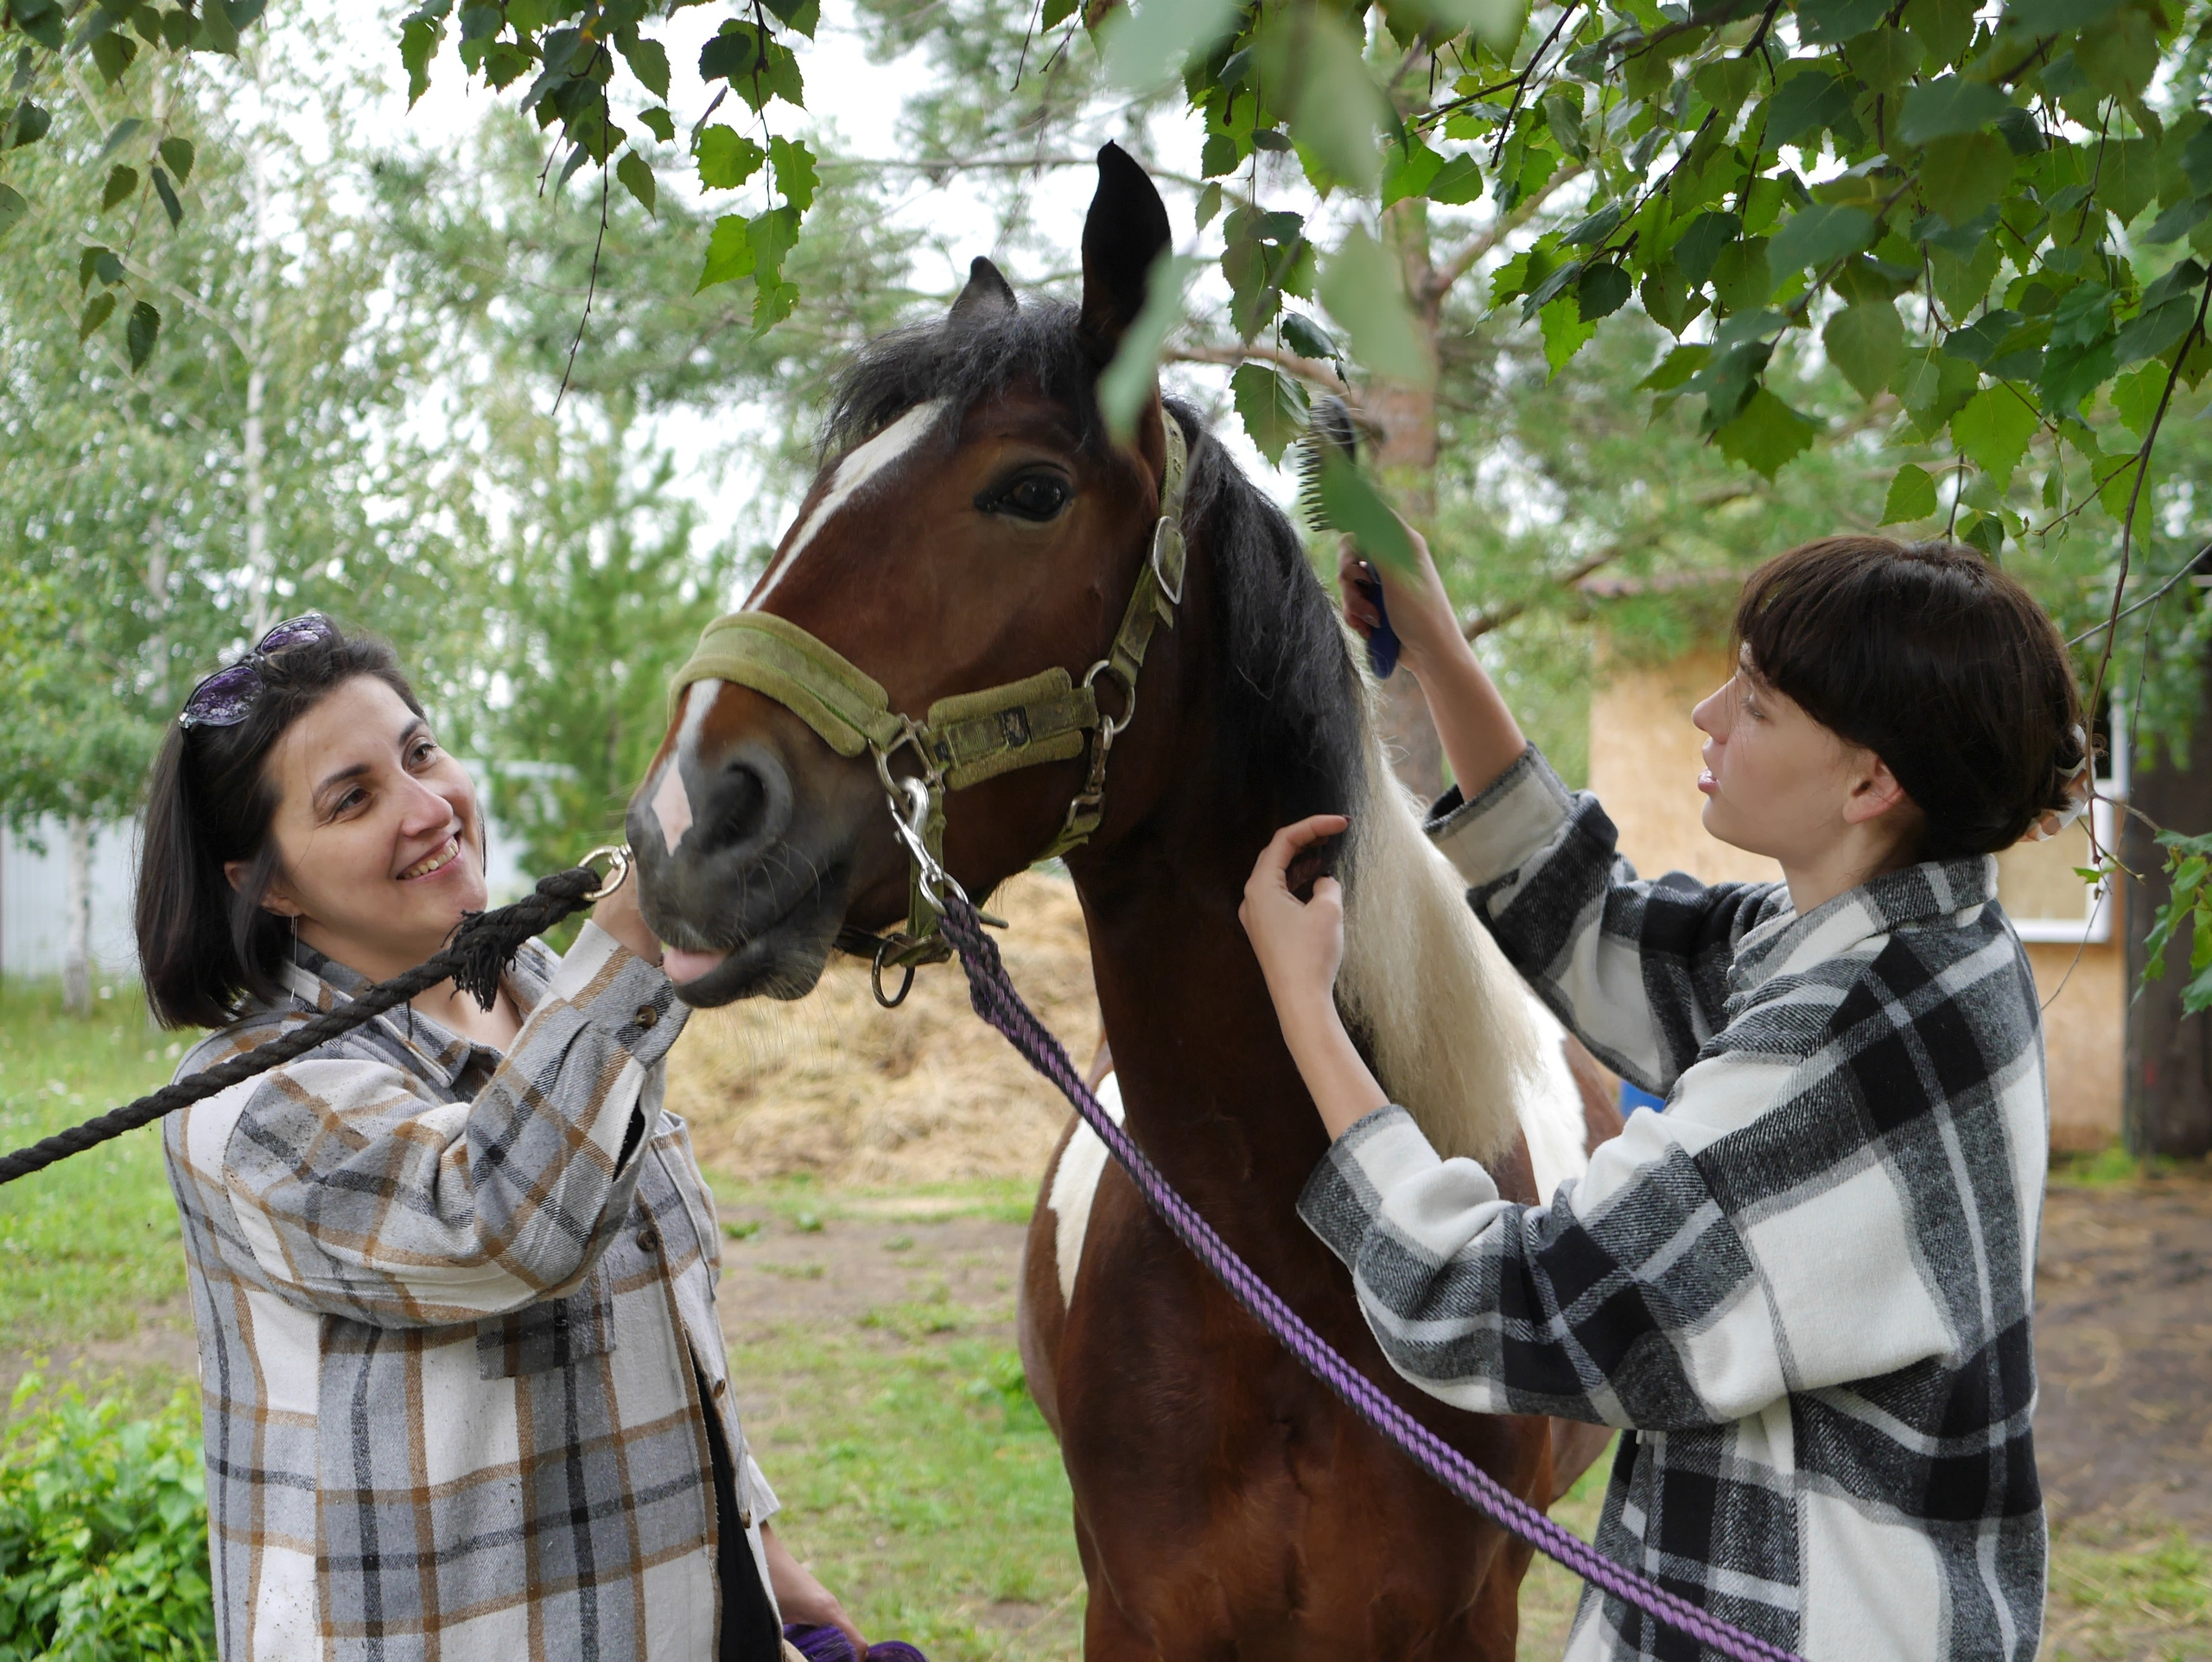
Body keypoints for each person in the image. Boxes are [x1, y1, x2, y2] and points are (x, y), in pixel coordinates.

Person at [1239, 535, 2081, 1662]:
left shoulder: (1840, 1040)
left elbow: (1499, 1302)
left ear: (1869, 783)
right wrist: (1434, 644)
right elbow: (1594, 923)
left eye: (1758, 704)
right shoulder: (1924, 943)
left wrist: (1305, 1004)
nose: (1706, 714)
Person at [135, 614, 864, 1662]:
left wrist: (759, 1561)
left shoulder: (551, 1005)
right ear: (272, 883)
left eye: (420, 752)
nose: (429, 808)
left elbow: (662, 1324)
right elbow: (495, 1221)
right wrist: (637, 926)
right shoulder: (247, 1106)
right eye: (353, 798)